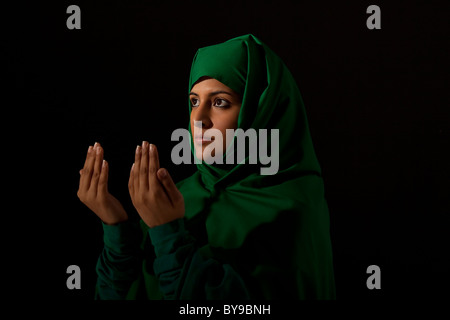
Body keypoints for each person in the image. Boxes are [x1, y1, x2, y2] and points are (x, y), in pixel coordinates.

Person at [77, 34, 336, 299]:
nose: (198, 119)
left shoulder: (294, 210)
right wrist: (117, 230)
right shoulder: (174, 200)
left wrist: (169, 236)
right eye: (194, 101)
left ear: (260, 111)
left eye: (220, 102)